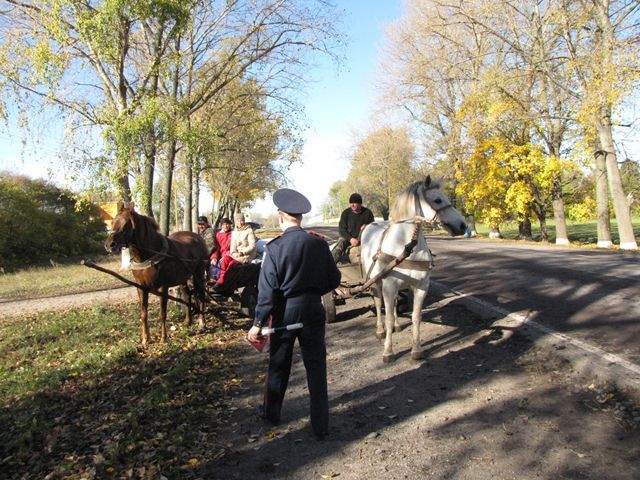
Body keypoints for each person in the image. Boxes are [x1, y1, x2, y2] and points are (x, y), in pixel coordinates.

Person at [247, 188, 341, 440]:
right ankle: (321, 425)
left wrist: (257, 323)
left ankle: (271, 414)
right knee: (316, 366)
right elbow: (335, 279)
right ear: (300, 217)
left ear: (280, 216)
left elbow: (267, 290)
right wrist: (313, 291)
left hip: (284, 313)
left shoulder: (275, 247)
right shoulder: (318, 243)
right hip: (312, 309)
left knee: (279, 364)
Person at [215, 212, 257, 288]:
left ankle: (227, 283)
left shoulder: (249, 230)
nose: (240, 223)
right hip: (236, 255)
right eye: (238, 221)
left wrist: (241, 253)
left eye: (241, 220)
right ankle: (221, 281)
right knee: (225, 259)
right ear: (235, 222)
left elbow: (252, 246)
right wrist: (233, 253)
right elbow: (233, 246)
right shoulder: (234, 232)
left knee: (232, 264)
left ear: (244, 221)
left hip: (247, 255)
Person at [332, 193, 375, 262]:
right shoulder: (345, 213)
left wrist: (367, 226)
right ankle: (331, 264)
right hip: (347, 239)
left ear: (360, 204)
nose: (352, 205)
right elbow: (341, 229)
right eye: (351, 203)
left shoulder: (368, 213)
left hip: (363, 239)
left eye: (354, 203)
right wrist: (351, 239)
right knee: (340, 244)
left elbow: (373, 226)